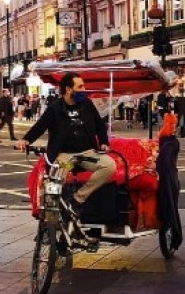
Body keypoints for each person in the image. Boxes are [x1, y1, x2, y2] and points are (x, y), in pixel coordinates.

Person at [16, 72, 115, 218]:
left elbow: (100, 125)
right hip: (66, 157)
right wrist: (26, 140)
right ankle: (49, 219)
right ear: (69, 89)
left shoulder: (87, 104)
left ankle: (77, 199)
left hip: (87, 155)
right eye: (80, 86)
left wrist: (104, 142)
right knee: (54, 182)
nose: (84, 89)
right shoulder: (55, 108)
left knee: (109, 166)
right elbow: (40, 126)